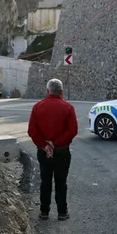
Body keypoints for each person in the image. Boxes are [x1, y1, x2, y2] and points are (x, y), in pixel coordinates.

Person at [28, 79, 78, 221]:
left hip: (44, 152)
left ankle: (44, 211)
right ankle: (62, 212)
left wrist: (45, 145)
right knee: (61, 182)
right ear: (62, 91)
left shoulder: (37, 107)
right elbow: (72, 130)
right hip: (62, 152)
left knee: (45, 181)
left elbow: (32, 131)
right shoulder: (68, 108)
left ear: (47, 90)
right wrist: (55, 144)